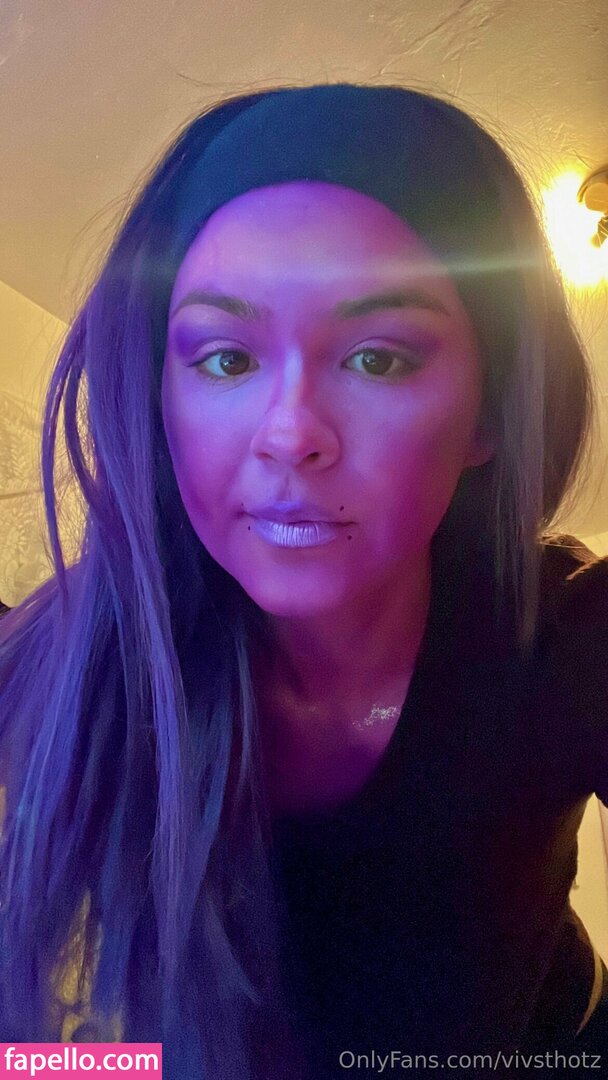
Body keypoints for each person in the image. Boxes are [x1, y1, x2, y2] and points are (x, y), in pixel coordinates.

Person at [0, 82, 607, 1080]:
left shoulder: (568, 636)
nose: (289, 434)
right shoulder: (76, 655)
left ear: (488, 416)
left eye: (378, 359)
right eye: (225, 358)